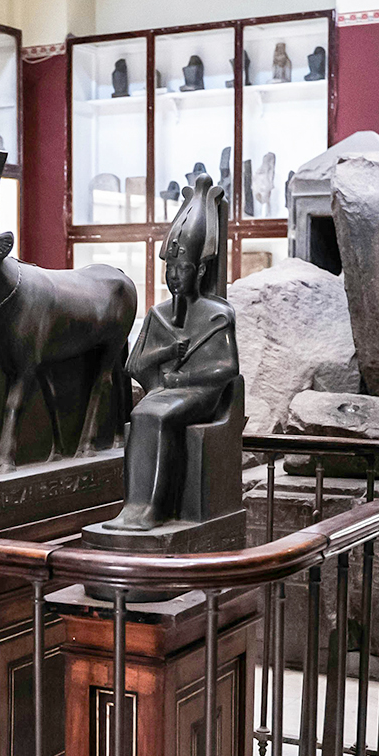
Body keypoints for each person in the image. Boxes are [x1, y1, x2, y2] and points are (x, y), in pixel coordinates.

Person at [107, 175, 240, 530]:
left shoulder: (216, 315)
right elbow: (135, 364)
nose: (174, 277)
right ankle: (134, 506)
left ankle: (152, 509)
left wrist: (182, 376)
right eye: (170, 269)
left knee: (156, 416)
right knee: (142, 414)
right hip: (164, 389)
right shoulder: (158, 315)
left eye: (182, 269)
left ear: (198, 271)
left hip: (203, 395)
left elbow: (226, 368)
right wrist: (165, 349)